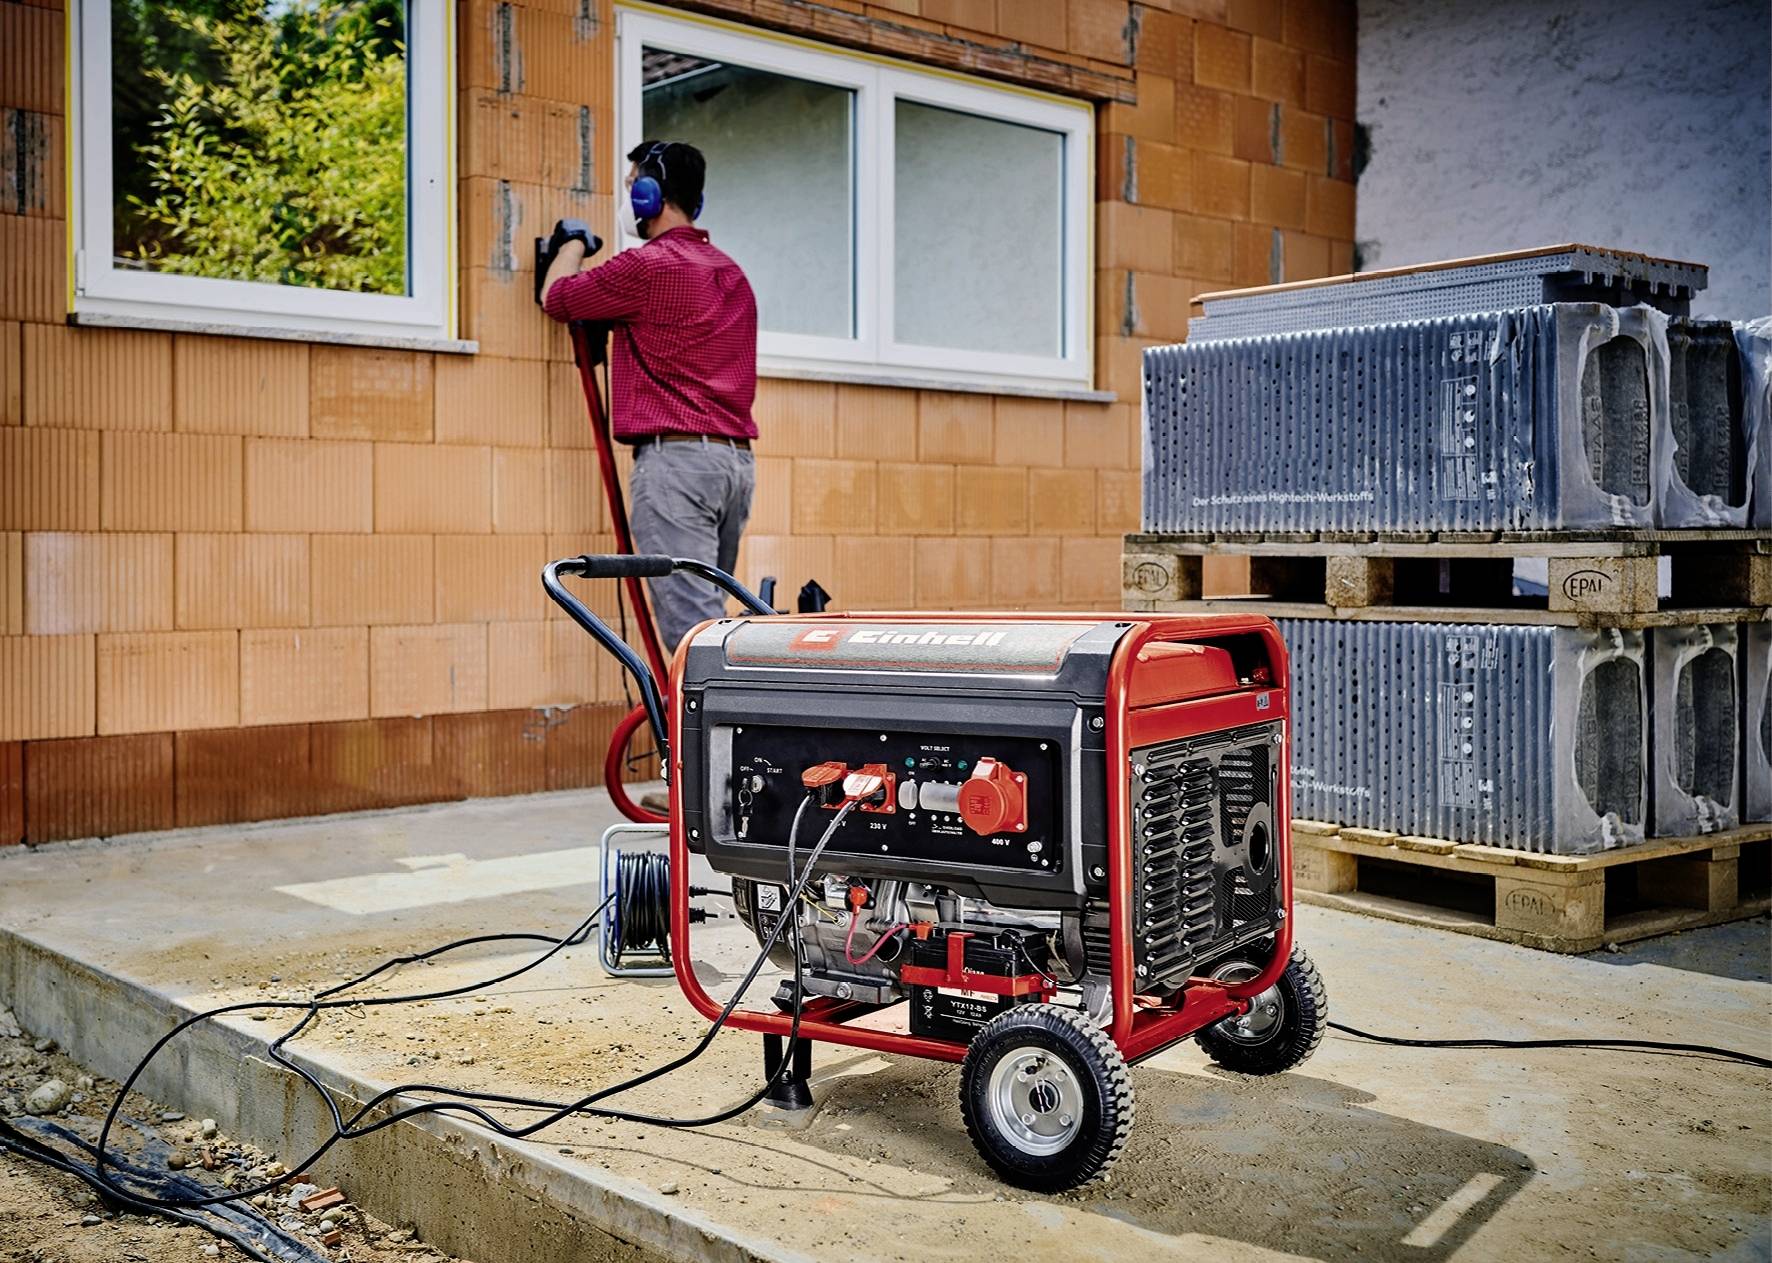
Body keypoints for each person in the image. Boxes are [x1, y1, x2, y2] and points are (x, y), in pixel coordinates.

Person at [539, 139, 758, 654]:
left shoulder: (647, 267)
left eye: (631, 187)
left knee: (693, 640)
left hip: (677, 465)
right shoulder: (733, 274)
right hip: (734, 468)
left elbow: (559, 298)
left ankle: (698, 735)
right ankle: (711, 729)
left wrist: (572, 243)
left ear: (648, 197)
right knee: (713, 622)